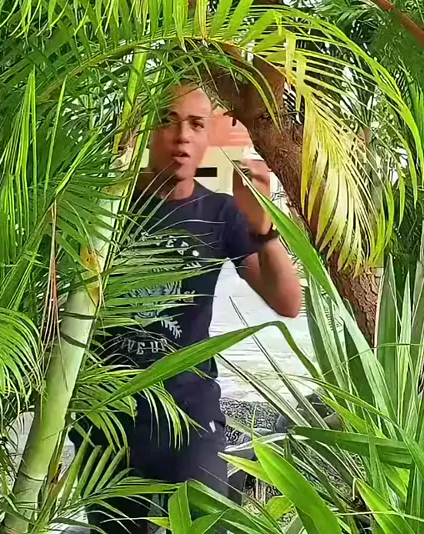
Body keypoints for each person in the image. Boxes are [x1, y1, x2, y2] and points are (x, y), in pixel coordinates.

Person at [83, 85, 302, 533]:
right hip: (107, 419)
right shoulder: (103, 209)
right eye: (168, 120)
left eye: (196, 124)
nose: (182, 135)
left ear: (207, 137)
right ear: (144, 129)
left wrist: (263, 226)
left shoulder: (219, 212)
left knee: (207, 525)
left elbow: (288, 302)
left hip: (189, 417)